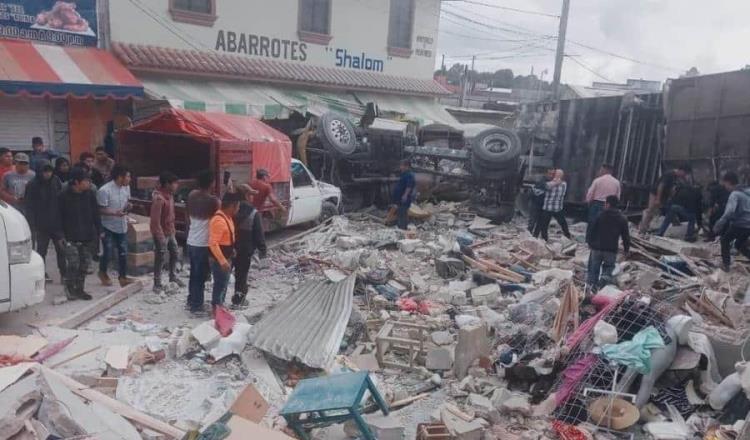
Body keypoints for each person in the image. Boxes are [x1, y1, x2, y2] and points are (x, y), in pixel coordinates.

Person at [58, 168, 100, 300]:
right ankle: (70, 288)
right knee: (73, 263)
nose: (89, 183)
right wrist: (60, 235)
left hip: (87, 236)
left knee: (84, 264)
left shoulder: (90, 195)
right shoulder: (62, 196)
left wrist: (100, 231)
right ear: (76, 182)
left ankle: (80, 289)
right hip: (69, 236)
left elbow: (96, 214)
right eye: (86, 180)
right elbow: (56, 217)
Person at [186, 170, 220, 315]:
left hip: (191, 240)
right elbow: (218, 220)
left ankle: (191, 300)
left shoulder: (192, 195)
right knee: (200, 275)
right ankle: (196, 305)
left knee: (194, 273)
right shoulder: (214, 201)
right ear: (211, 183)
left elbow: (188, 216)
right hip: (203, 243)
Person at [24, 161, 63, 282]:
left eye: (49, 171)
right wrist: (32, 224)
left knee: (62, 249)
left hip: (57, 223)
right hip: (41, 225)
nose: (48, 174)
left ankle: (64, 274)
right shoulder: (32, 185)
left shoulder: (56, 181)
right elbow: (29, 206)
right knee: (41, 251)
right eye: (45, 171)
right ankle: (41, 274)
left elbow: (62, 199)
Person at [97, 165, 134, 287]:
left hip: (121, 224)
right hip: (107, 226)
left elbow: (127, 201)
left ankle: (122, 277)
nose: (130, 179)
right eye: (128, 176)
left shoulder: (126, 187)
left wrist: (128, 206)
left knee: (123, 251)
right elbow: (101, 209)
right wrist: (114, 213)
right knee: (107, 252)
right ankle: (102, 273)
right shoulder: (104, 190)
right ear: (120, 177)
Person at [232, 184, 267, 308]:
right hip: (244, 249)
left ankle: (218, 302)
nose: (252, 198)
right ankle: (238, 299)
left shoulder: (229, 209)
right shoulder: (253, 213)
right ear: (247, 196)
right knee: (241, 275)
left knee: (224, 275)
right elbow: (258, 233)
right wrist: (263, 250)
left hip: (228, 247)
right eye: (251, 195)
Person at [587, 195, 631, 291]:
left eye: (605, 204)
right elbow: (626, 236)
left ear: (608, 204)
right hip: (611, 250)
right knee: (608, 268)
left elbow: (592, 229)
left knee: (593, 269)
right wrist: (626, 249)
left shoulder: (600, 215)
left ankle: (592, 289)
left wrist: (590, 242)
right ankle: (602, 285)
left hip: (597, 248)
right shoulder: (622, 218)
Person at [150, 171, 183, 291]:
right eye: (175, 183)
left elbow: (171, 215)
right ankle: (157, 283)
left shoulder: (170, 196)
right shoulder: (159, 199)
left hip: (170, 231)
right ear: (167, 184)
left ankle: (173, 277)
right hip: (162, 233)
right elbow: (155, 221)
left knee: (175, 253)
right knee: (160, 257)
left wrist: (173, 230)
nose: (176, 186)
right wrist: (160, 237)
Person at [208, 192, 240, 312]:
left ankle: (220, 306)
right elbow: (213, 243)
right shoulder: (218, 220)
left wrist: (232, 250)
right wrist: (222, 261)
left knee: (224, 284)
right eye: (238, 206)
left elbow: (228, 237)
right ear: (232, 206)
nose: (238, 209)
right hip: (219, 259)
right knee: (220, 284)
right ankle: (216, 308)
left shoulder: (228, 218)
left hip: (227, 256)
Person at [713, 172, 750, 271]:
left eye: (725, 184)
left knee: (724, 240)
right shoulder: (747, 191)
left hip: (740, 224)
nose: (725, 187)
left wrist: (719, 224)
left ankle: (726, 265)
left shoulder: (734, 194)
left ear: (728, 182)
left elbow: (729, 211)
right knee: (739, 245)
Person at [639, 165, 691, 234]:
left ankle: (675, 224)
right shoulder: (669, 174)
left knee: (665, 210)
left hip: (664, 195)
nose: (684, 175)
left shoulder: (676, 177)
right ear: (681, 170)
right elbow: (661, 186)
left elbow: (670, 187)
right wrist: (658, 199)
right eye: (685, 173)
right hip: (655, 193)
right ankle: (642, 230)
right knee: (651, 211)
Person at [585, 164, 621, 242]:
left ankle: (589, 240)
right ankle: (602, 240)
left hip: (596, 204)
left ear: (605, 170)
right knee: (606, 224)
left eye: (601, 170)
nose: (600, 171)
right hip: (609, 205)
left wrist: (588, 201)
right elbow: (618, 196)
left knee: (592, 222)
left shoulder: (597, 180)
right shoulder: (616, 182)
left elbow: (590, 193)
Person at [534, 169, 571, 241]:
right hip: (557, 208)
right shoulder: (564, 184)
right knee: (563, 223)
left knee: (544, 224)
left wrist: (554, 182)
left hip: (548, 207)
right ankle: (568, 236)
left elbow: (546, 186)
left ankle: (544, 239)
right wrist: (555, 182)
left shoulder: (553, 184)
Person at [392, 159, 416, 230]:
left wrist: (405, 195)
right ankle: (400, 228)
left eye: (402, 165)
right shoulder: (404, 174)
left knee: (403, 213)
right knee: (400, 212)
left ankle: (403, 228)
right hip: (400, 197)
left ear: (407, 166)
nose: (400, 167)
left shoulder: (409, 175)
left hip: (405, 198)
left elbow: (409, 186)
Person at [528, 168, 554, 234]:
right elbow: (546, 187)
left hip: (544, 205)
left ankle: (535, 237)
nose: (551, 175)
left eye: (553, 174)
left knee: (540, 222)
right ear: (546, 173)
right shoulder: (541, 180)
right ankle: (528, 235)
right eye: (550, 173)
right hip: (535, 203)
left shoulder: (551, 181)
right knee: (532, 221)